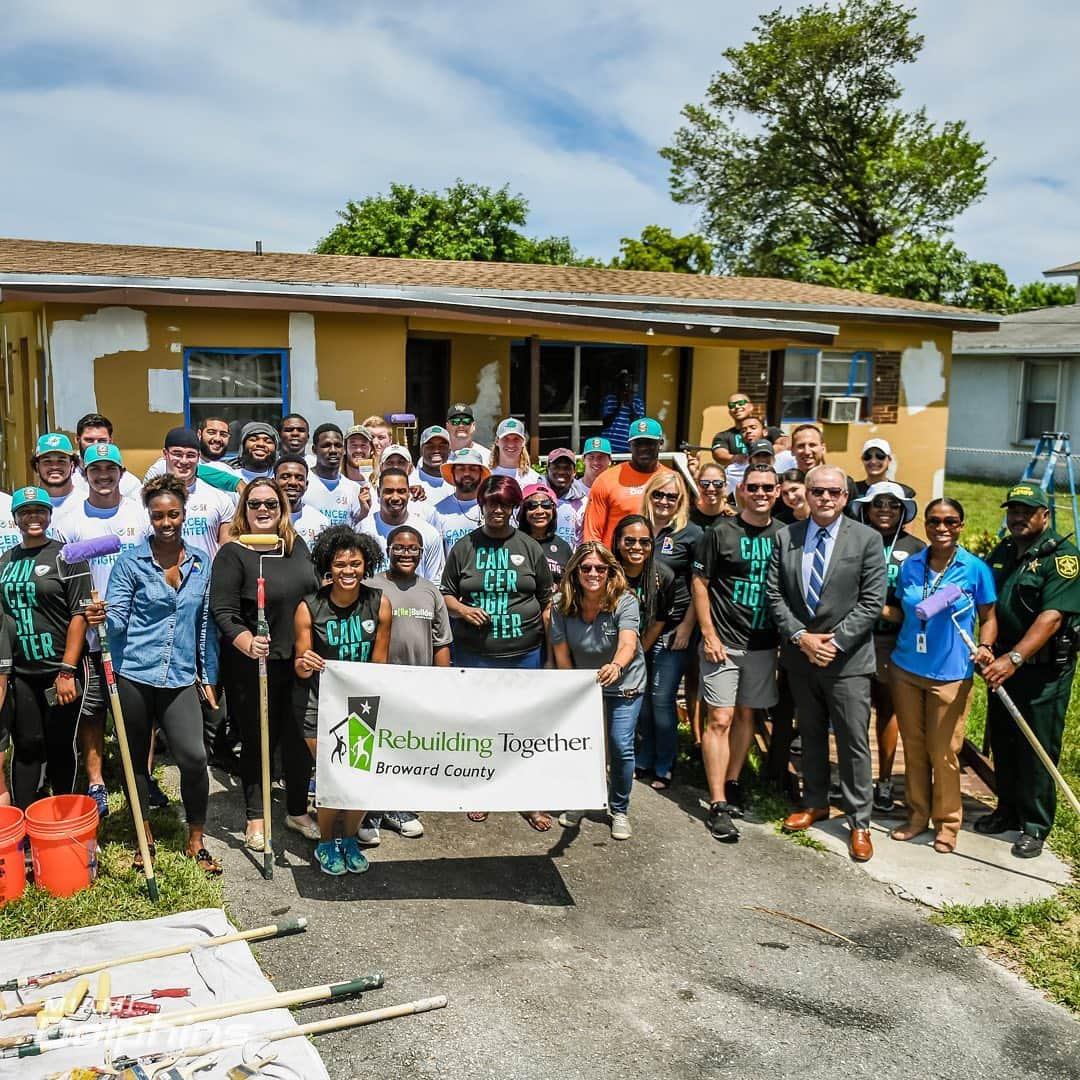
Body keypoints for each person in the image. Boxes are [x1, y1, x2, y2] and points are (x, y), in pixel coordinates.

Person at [90, 475, 222, 874]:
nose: (167, 522)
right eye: (158, 515)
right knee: (134, 763)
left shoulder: (201, 563)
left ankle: (195, 840)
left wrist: (208, 674)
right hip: (134, 674)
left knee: (194, 757)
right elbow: (116, 619)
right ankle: (142, 837)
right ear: (149, 516)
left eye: (174, 514)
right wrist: (100, 618)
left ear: (184, 513)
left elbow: (204, 625)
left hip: (180, 676)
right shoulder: (131, 562)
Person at [765, 464, 886, 862]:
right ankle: (815, 802)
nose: (826, 499)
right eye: (818, 492)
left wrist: (835, 643)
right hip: (802, 657)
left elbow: (872, 601)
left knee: (853, 742)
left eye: (834, 493)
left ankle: (860, 820)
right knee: (811, 733)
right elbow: (775, 596)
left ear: (845, 497)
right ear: (806, 494)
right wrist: (801, 638)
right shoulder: (787, 537)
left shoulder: (867, 539)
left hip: (847, 661)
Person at [210, 478, 319, 851]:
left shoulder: (296, 545)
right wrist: (246, 641)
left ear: (282, 509)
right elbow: (222, 610)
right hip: (253, 663)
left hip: (299, 659)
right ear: (244, 509)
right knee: (258, 739)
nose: (263, 511)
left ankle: (296, 809)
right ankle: (256, 815)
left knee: (299, 737)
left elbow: (313, 594)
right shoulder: (233, 552)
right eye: (254, 504)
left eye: (271, 504)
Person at [441, 475, 554, 829]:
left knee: (525, 727)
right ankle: (481, 791)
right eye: (492, 504)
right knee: (480, 724)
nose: (498, 510)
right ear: (482, 506)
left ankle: (529, 798)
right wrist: (462, 610)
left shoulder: (529, 547)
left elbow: (546, 600)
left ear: (513, 507)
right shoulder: (465, 547)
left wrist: (551, 654)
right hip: (476, 654)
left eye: (505, 504)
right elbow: (445, 592)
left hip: (524, 653)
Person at [885, 498, 996, 855]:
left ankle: (947, 824)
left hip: (951, 674)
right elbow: (904, 609)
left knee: (944, 751)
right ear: (926, 526)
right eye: (934, 521)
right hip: (906, 668)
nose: (942, 528)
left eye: (950, 521)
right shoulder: (912, 565)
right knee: (915, 749)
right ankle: (917, 815)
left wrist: (985, 645)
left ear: (961, 525)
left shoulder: (974, 569)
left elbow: (989, 617)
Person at [977, 484, 1080, 858]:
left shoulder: (1063, 559)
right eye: (1013, 510)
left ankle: (1035, 825)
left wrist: (1015, 658)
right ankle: (1005, 810)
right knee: (1003, 740)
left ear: (1045, 516)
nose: (1017, 517)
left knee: (1036, 746)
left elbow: (1051, 618)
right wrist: (990, 649)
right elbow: (985, 597)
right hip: (1001, 663)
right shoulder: (1004, 550)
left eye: (1027, 510)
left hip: (1041, 671)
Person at [54, 442, 150, 817]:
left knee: (139, 710)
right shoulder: (70, 523)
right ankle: (96, 782)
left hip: (137, 629)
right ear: (85, 474)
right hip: (92, 632)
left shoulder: (139, 516)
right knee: (92, 710)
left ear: (122, 474)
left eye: (111, 469)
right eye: (96, 470)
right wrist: (85, 610)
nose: (104, 475)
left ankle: (140, 776)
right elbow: (63, 576)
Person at [692, 464, 784, 841]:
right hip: (723, 642)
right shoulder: (720, 533)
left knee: (747, 714)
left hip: (764, 643)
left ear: (777, 492)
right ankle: (716, 803)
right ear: (741, 491)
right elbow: (700, 583)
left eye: (768, 487)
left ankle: (732, 782)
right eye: (753, 487)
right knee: (720, 718)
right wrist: (708, 633)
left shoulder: (786, 536)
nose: (761, 493)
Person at [294, 526, 391, 875]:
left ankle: (349, 839)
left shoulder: (380, 603)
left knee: (357, 777)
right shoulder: (309, 607)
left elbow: (380, 665)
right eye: (339, 565)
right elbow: (300, 666)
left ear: (367, 565)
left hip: (361, 705)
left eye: (355, 564)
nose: (348, 571)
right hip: (316, 702)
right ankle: (325, 843)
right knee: (332, 775)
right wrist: (305, 662)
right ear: (327, 567)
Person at [360, 523, 453, 846]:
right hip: (377, 683)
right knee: (374, 749)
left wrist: (441, 686)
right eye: (399, 547)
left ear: (421, 552)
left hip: (418, 685)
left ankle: (397, 809)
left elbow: (441, 642)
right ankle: (369, 812)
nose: (406, 553)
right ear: (388, 550)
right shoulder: (370, 586)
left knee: (404, 748)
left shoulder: (430, 591)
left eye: (413, 548)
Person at [0, 486, 89, 809]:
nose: (32, 517)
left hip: (59, 670)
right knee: (26, 744)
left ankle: (63, 816)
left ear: (49, 515)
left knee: (60, 743)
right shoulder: (6, 560)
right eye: (25, 512)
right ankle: (26, 823)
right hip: (21, 672)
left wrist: (67, 670)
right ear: (15, 519)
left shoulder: (68, 555)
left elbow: (80, 615)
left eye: (39, 511)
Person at [552, 542, 647, 840]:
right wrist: (571, 689)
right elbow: (561, 653)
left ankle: (619, 808)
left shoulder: (625, 601)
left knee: (620, 745)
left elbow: (628, 643)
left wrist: (617, 665)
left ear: (610, 571)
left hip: (624, 682)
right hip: (585, 686)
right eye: (586, 568)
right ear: (575, 571)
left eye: (600, 568)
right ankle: (581, 799)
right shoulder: (560, 603)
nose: (593, 573)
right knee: (583, 746)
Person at [851, 481, 926, 813]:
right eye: (878, 503)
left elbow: (919, 602)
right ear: (866, 507)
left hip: (891, 640)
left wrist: (876, 609)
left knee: (887, 711)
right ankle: (854, 780)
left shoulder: (916, 550)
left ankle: (883, 782)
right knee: (852, 713)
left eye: (893, 505)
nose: (885, 509)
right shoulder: (850, 537)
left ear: (903, 511)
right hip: (852, 638)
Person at [637, 471, 702, 789]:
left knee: (662, 698)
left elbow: (699, 585)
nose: (664, 501)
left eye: (671, 497)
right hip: (637, 629)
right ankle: (643, 758)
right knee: (642, 698)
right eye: (658, 495)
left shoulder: (691, 534)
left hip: (673, 629)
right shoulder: (636, 528)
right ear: (649, 495)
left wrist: (688, 627)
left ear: (681, 501)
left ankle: (665, 762)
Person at [583, 417, 670, 550]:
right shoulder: (606, 480)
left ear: (661, 443)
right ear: (629, 445)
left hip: (659, 562)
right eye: (638, 443)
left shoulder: (671, 480)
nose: (643, 448)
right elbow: (592, 534)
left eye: (649, 443)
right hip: (615, 564)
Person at [157, 428, 234, 560]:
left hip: (208, 578)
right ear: (165, 454)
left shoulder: (219, 498)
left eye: (191, 455)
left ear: (198, 457)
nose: (184, 461)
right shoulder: (148, 499)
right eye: (177, 454)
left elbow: (228, 551)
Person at [360, 469, 444, 582]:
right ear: (378, 492)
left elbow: (434, 583)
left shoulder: (429, 534)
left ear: (409, 493)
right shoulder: (363, 530)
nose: (395, 497)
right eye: (389, 491)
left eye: (401, 491)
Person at [612, 515, 675, 659]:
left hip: (643, 646)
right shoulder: (605, 573)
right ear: (617, 543)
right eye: (629, 541)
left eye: (645, 542)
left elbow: (660, 620)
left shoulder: (664, 576)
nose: (637, 547)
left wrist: (636, 652)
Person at [304, 424, 368, 527]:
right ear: (314, 450)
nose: (333, 450)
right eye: (326, 445)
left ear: (343, 450)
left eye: (338, 445)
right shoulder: (303, 483)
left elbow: (356, 527)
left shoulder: (354, 489)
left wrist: (363, 513)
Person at [431, 448, 488, 555]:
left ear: (481, 474)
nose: (467, 473)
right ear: (452, 473)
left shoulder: (492, 508)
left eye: (473, 468)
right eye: (461, 468)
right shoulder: (438, 512)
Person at [790, 424, 858, 514]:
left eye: (812, 445)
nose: (807, 451)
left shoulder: (844, 482)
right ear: (792, 450)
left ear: (823, 448)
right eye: (801, 446)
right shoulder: (785, 485)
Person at [73, 413, 142, 499]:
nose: (95, 445)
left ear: (111, 440)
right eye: (89, 440)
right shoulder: (65, 477)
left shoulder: (130, 483)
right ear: (77, 439)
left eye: (102, 440)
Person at [518, 483, 573, 587]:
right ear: (523, 511)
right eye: (532, 506)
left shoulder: (563, 547)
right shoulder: (514, 543)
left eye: (546, 505)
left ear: (553, 510)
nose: (539, 511)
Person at [274, 455, 331, 550]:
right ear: (274, 482)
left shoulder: (321, 521)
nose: (292, 482)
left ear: (306, 485)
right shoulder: (263, 518)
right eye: (285, 477)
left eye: (299, 478)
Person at [711, 395, 785, 467]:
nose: (736, 407)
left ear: (751, 407)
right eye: (732, 405)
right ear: (730, 412)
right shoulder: (723, 436)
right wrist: (739, 459)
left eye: (741, 403)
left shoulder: (771, 430)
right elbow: (720, 455)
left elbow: (785, 444)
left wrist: (763, 453)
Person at [543, 448, 587, 547]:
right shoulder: (533, 498)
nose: (561, 471)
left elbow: (582, 539)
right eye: (556, 467)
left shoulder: (583, 503)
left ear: (574, 471)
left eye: (567, 468)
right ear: (547, 469)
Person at [599, 370, 646, 454]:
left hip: (627, 449)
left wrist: (631, 406)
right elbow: (605, 423)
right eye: (622, 384)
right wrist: (618, 406)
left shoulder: (638, 401)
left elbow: (639, 426)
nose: (625, 387)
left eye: (628, 383)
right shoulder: (610, 399)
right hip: (608, 447)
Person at [31, 432, 81, 512]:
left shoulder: (88, 503)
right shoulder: (26, 506)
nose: (54, 467)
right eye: (47, 461)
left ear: (72, 466)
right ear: (37, 467)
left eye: (61, 461)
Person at [490, 418, 541, 484]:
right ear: (497, 441)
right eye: (506, 438)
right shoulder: (485, 475)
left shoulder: (534, 479)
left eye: (516, 439)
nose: (511, 444)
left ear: (523, 442)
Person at [416, 426, 454, 501]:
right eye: (430, 446)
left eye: (442, 446)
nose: (436, 450)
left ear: (449, 451)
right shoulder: (410, 482)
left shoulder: (458, 483)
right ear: (421, 451)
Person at [689, 462, 728, 530]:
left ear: (725, 486)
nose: (711, 489)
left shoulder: (737, 518)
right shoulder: (686, 519)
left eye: (717, 483)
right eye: (705, 483)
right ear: (698, 485)